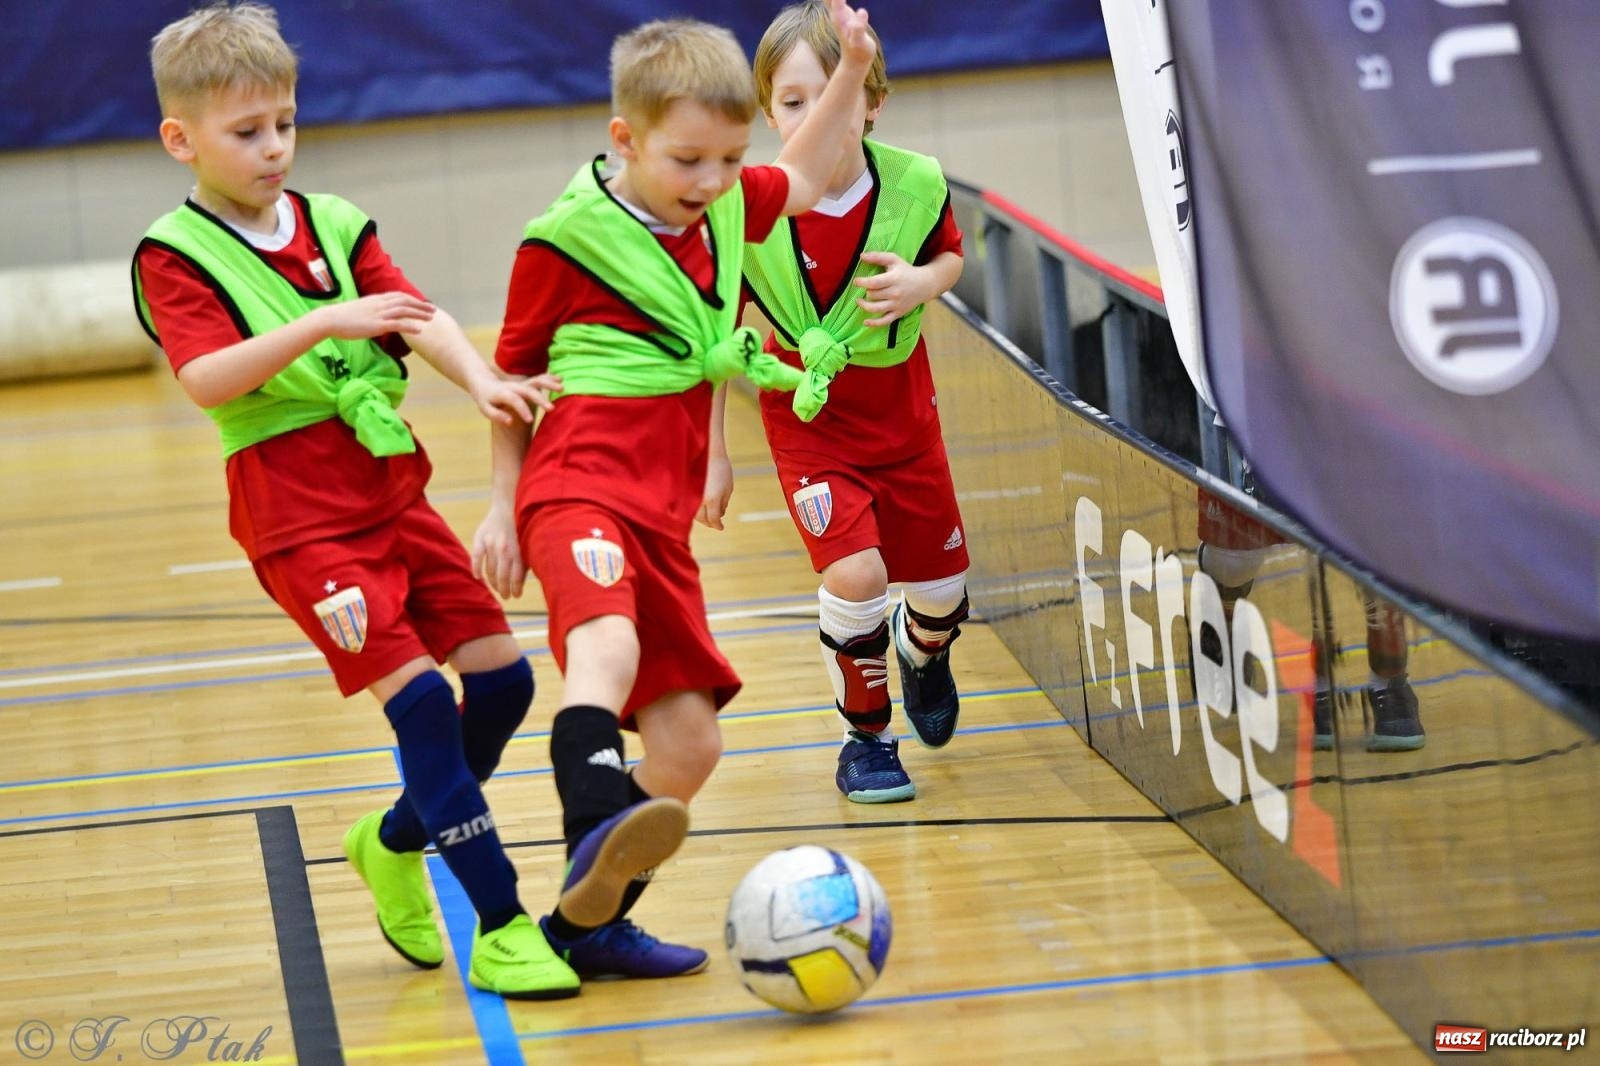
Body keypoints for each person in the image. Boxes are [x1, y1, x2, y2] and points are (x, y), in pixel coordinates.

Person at [132, 2, 579, 1000]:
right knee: (422, 703)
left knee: (503, 683)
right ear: (182, 139)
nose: (274, 147)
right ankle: (503, 922)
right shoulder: (174, 251)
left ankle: (390, 841)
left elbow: (415, 315)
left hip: (391, 491)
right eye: (247, 132)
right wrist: (323, 321)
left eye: (284, 122)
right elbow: (206, 378)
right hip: (297, 517)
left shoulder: (333, 221)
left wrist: (480, 383)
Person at [472, 0, 876, 980]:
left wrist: (852, 64)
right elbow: (512, 380)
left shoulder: (728, 209)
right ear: (626, 138)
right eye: (688, 160)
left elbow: (814, 162)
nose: (714, 181)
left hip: (659, 515)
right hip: (576, 484)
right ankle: (593, 805)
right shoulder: (562, 240)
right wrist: (500, 505)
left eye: (732, 159)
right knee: (603, 647)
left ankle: (581, 928)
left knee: (691, 749)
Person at [741, 1, 970, 804]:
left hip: (904, 423)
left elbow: (948, 259)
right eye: (793, 102)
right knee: (856, 572)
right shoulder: (748, 211)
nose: (817, 116)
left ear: (871, 100)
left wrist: (922, 282)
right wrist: (703, 454)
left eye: (835, 92)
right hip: (809, 425)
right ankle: (866, 738)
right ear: (769, 115)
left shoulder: (915, 183)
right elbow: (715, 336)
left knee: (940, 596)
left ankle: (924, 651)